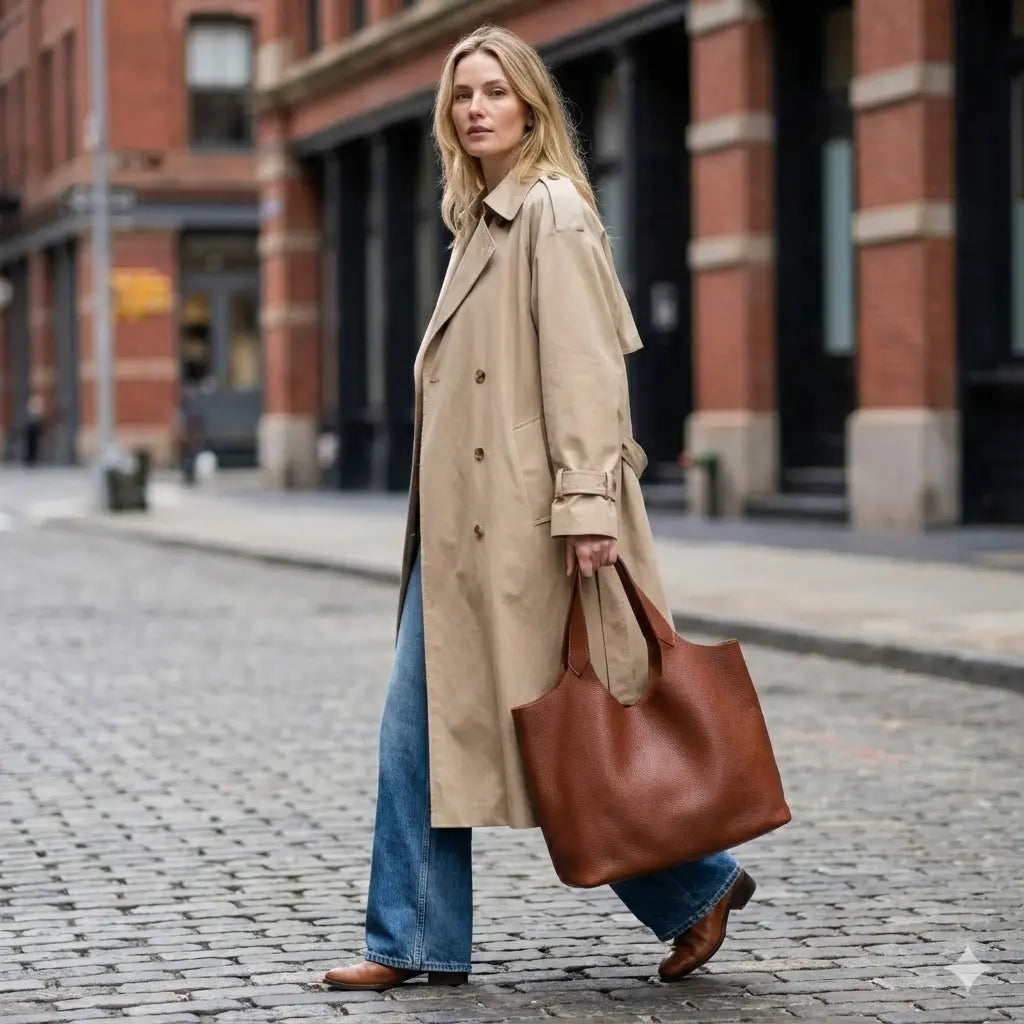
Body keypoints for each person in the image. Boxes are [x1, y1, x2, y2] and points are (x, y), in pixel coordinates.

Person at [322, 24, 755, 993]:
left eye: (494, 91)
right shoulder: (478, 218)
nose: (475, 106)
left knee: (566, 732)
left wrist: (586, 504)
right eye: (462, 94)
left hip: (531, 532)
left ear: (530, 107)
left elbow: (586, 368)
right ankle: (414, 938)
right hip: (465, 536)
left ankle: (693, 887)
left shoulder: (550, 209)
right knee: (430, 735)